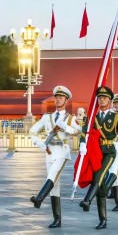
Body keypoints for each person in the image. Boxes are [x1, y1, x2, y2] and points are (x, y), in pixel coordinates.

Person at [29, 85, 82, 228]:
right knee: (54, 186)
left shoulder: (70, 118)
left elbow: (79, 132)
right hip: (50, 151)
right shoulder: (47, 117)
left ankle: (39, 198)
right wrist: (40, 143)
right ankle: (57, 219)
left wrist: (65, 127)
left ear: (66, 100)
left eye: (61, 97)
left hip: (62, 150)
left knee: (52, 175)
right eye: (56, 97)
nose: (58, 99)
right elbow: (32, 131)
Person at [78, 86, 118, 230]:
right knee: (101, 187)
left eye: (105, 98)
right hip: (96, 152)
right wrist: (82, 144)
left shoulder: (115, 117)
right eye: (100, 97)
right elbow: (84, 132)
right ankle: (103, 220)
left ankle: (87, 200)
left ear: (110, 100)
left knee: (98, 176)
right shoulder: (93, 116)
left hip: (110, 152)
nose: (102, 100)